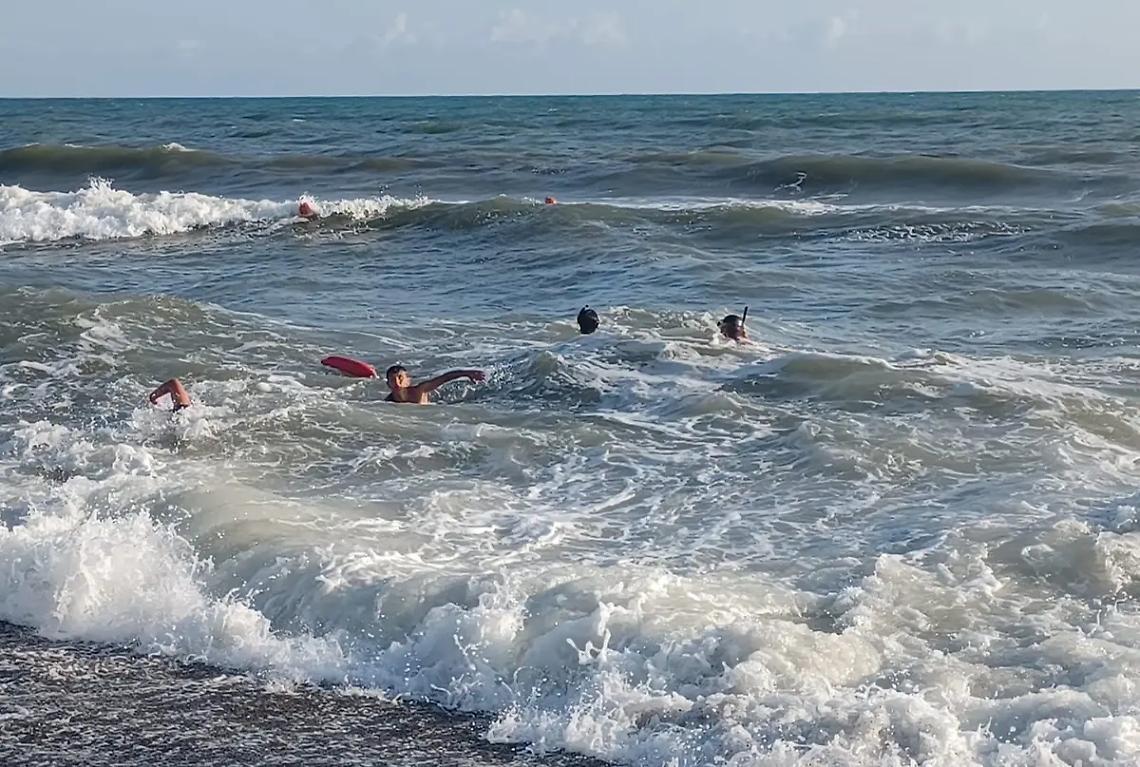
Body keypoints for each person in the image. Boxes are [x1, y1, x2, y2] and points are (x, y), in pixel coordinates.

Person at [385, 365, 486, 404]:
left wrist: (467, 373)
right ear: (388, 384)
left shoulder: (420, 390)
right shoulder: (388, 402)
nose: (397, 383)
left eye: (400, 378)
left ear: (408, 381)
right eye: (392, 380)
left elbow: (444, 378)